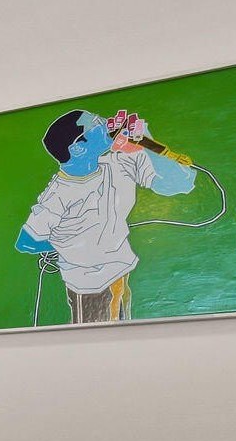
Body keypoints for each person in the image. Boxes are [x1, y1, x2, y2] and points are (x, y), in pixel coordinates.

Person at [14, 109, 198, 324]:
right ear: (78, 148)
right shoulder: (59, 194)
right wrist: (71, 245)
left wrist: (146, 142)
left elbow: (180, 184)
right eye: (96, 124)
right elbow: (26, 241)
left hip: (121, 272)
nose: (107, 125)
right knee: (97, 340)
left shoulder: (120, 162)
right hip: (90, 286)